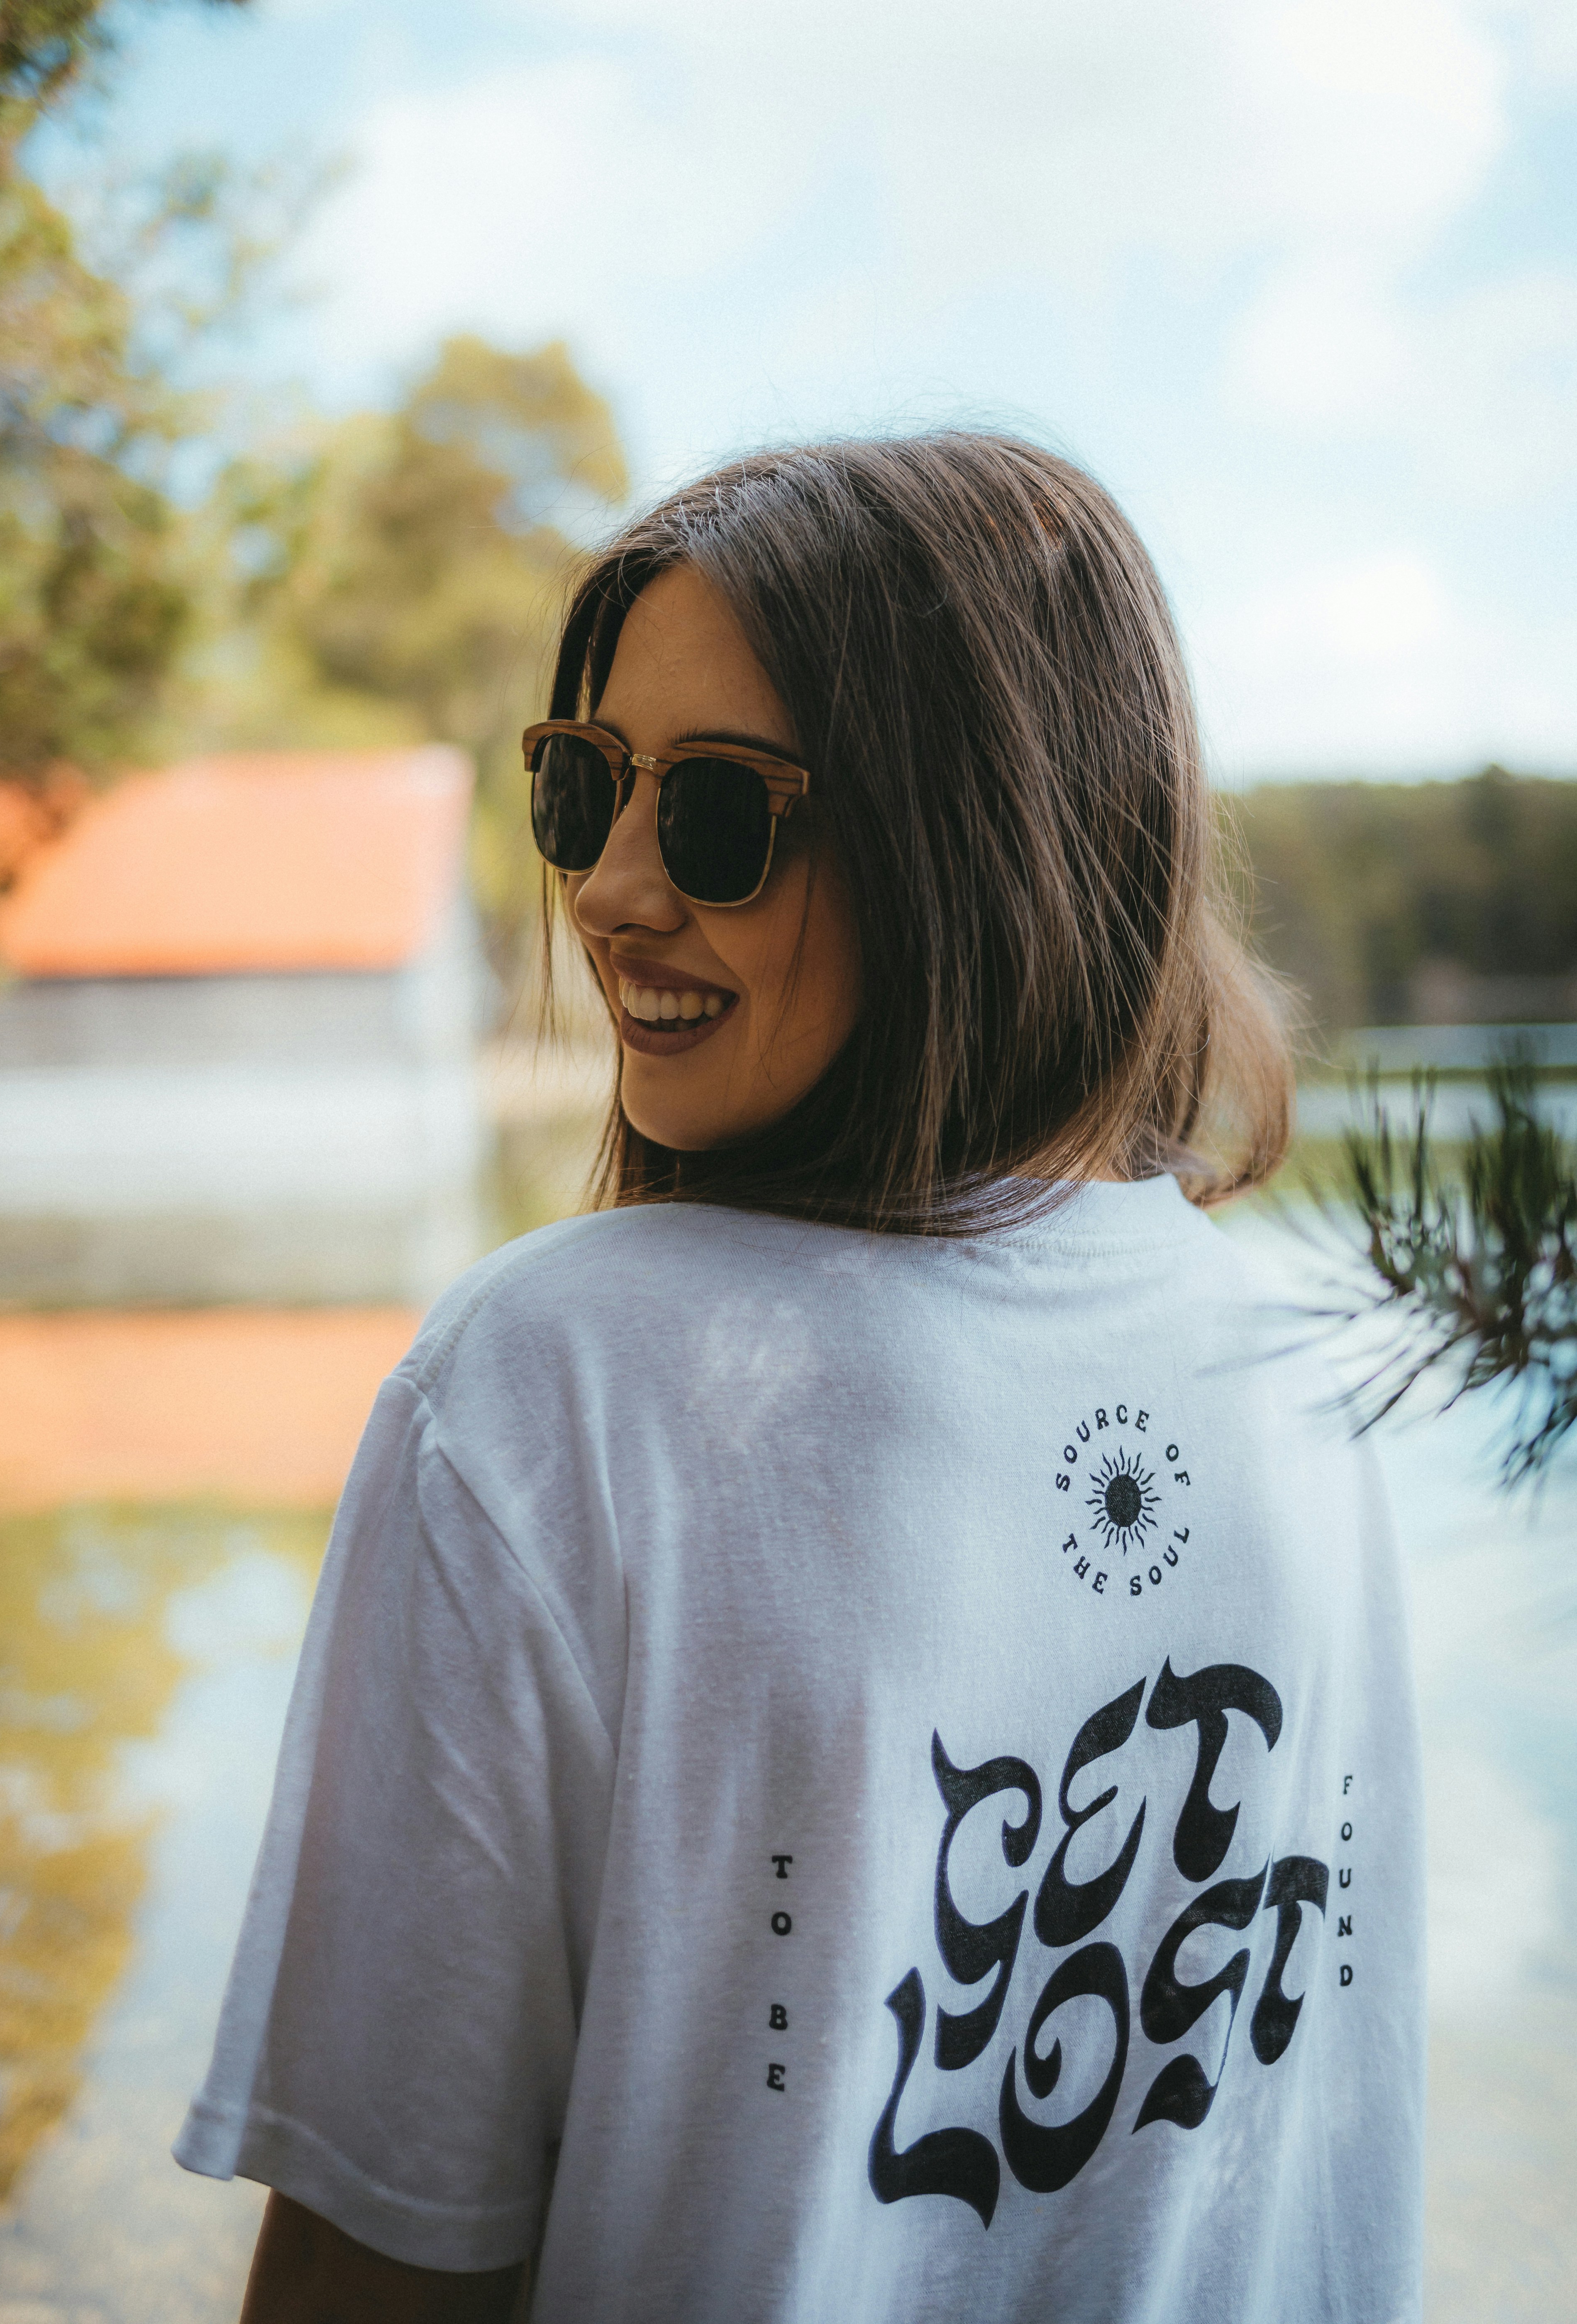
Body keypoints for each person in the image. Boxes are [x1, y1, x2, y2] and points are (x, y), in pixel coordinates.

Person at [175, 434, 1425, 2323]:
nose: (605, 889)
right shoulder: (1298, 1353)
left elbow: (374, 2259)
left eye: (719, 817)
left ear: (973, 840)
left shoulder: (545, 1388)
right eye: (582, 787)